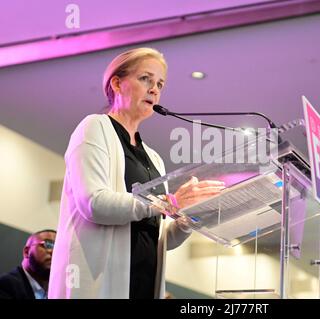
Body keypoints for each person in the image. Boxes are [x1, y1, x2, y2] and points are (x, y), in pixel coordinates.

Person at [48, 47, 224, 299]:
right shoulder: (94, 127)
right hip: (98, 286)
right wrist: (169, 202)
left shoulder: (154, 158)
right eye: (146, 79)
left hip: (143, 285)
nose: (155, 89)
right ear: (117, 83)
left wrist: (187, 217)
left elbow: (161, 239)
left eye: (160, 84)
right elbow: (94, 204)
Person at [0, 229, 56, 299]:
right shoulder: (5, 285)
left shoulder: (58, 291)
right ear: (27, 252)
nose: (54, 252)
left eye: (59, 248)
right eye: (48, 244)